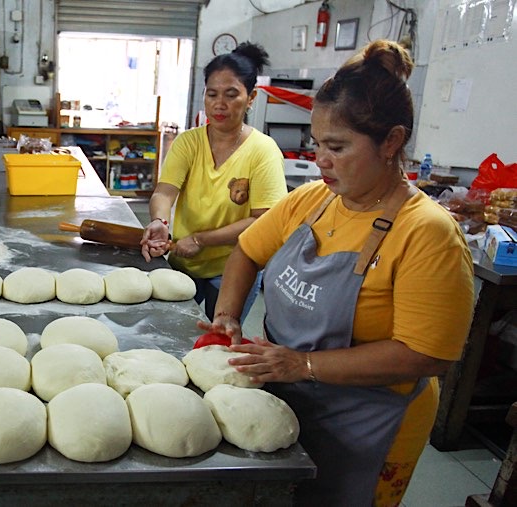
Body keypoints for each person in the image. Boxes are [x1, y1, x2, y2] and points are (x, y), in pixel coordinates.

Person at [201, 40, 474, 506]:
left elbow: (426, 356)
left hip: (369, 421)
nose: (320, 159)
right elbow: (247, 251)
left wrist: (303, 364)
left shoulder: (426, 233)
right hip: (292, 394)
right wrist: (228, 316)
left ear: (391, 141)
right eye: (316, 144)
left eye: (338, 147)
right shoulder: (312, 199)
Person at [140, 42, 287, 322]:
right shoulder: (188, 142)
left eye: (232, 95)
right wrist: (160, 222)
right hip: (184, 261)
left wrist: (201, 239)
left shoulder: (263, 151)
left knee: (217, 344)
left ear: (251, 97)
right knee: (173, 332)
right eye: (212, 94)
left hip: (235, 268)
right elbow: (165, 191)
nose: (219, 104)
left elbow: (264, 219)